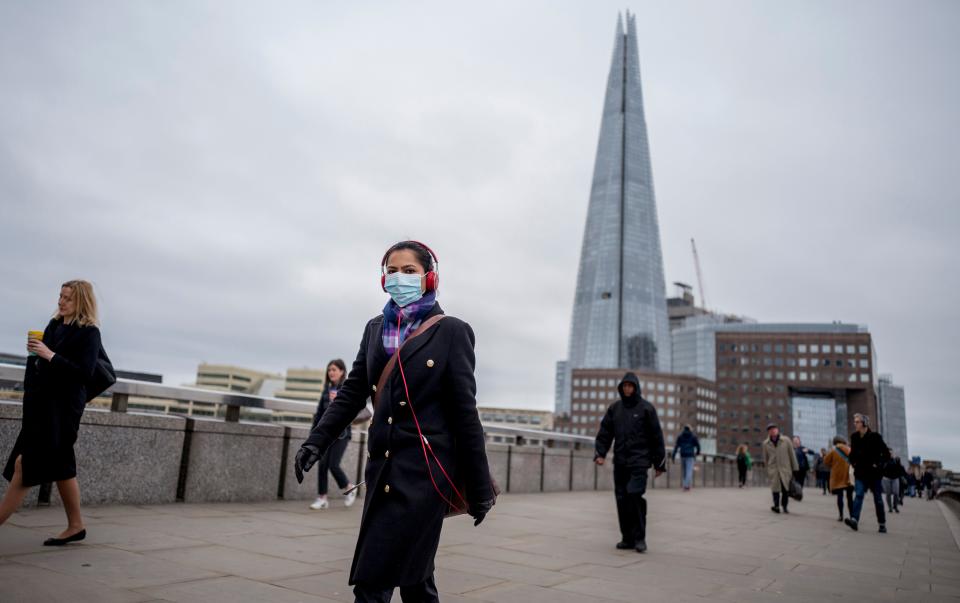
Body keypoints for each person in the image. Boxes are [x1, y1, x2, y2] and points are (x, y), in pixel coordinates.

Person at [293, 241, 495, 603]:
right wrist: (316, 441)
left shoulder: (451, 331)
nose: (399, 277)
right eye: (392, 271)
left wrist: (480, 490)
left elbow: (466, 414)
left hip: (425, 476)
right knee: (416, 580)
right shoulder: (375, 328)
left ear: (429, 278)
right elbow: (354, 391)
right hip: (381, 470)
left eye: (409, 271)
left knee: (375, 580)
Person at [1, 280, 102, 545]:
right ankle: (76, 525)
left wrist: (50, 355)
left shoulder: (89, 333)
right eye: (60, 296)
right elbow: (43, 366)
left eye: (67, 298)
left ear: (80, 302)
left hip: (63, 411)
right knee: (62, 465)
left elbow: (85, 373)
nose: (61, 301)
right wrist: (36, 356)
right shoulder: (54, 325)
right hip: (41, 407)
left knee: (26, 466)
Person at [595, 372, 666, 553]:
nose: (627, 389)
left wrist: (659, 463)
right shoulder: (615, 409)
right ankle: (627, 538)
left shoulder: (646, 409)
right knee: (621, 499)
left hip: (639, 461)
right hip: (620, 461)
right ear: (621, 388)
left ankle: (640, 538)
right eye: (624, 386)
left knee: (634, 495)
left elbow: (656, 437)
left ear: (636, 387)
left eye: (630, 386)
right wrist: (600, 453)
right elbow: (605, 432)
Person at [309, 359, 358, 510]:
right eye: (329, 370)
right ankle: (322, 498)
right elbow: (319, 414)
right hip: (326, 434)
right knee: (322, 465)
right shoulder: (326, 389)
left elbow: (351, 410)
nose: (331, 372)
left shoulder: (347, 388)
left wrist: (337, 401)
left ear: (342, 371)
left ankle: (349, 487)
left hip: (342, 434)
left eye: (334, 369)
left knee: (333, 464)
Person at [845, 413, 890, 533]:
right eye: (854, 422)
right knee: (859, 494)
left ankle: (882, 523)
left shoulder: (875, 436)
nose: (855, 424)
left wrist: (879, 464)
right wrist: (852, 461)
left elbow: (886, 454)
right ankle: (854, 519)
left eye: (857, 422)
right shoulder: (854, 437)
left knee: (878, 499)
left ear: (864, 423)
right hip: (860, 472)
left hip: (874, 474)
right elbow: (853, 453)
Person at [762, 423, 798, 514]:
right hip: (773, 469)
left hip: (785, 469)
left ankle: (785, 506)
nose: (772, 431)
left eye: (774, 429)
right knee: (775, 489)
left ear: (777, 430)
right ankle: (776, 506)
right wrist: (768, 469)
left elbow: (792, 455)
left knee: (785, 489)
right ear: (768, 432)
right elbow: (765, 458)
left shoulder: (786, 440)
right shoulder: (766, 444)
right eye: (770, 429)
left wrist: (795, 468)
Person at [822, 436, 854, 522]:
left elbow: (825, 461)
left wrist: (833, 465)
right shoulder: (849, 449)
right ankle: (852, 516)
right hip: (848, 476)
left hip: (838, 476)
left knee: (840, 496)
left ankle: (841, 515)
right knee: (849, 497)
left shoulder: (833, 451)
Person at [671, 425, 701, 491]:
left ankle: (686, 485)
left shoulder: (680, 436)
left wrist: (673, 456)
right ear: (690, 429)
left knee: (684, 471)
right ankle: (686, 486)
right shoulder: (693, 436)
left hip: (683, 455)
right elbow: (698, 445)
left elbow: (676, 447)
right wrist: (698, 453)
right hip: (690, 456)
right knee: (689, 471)